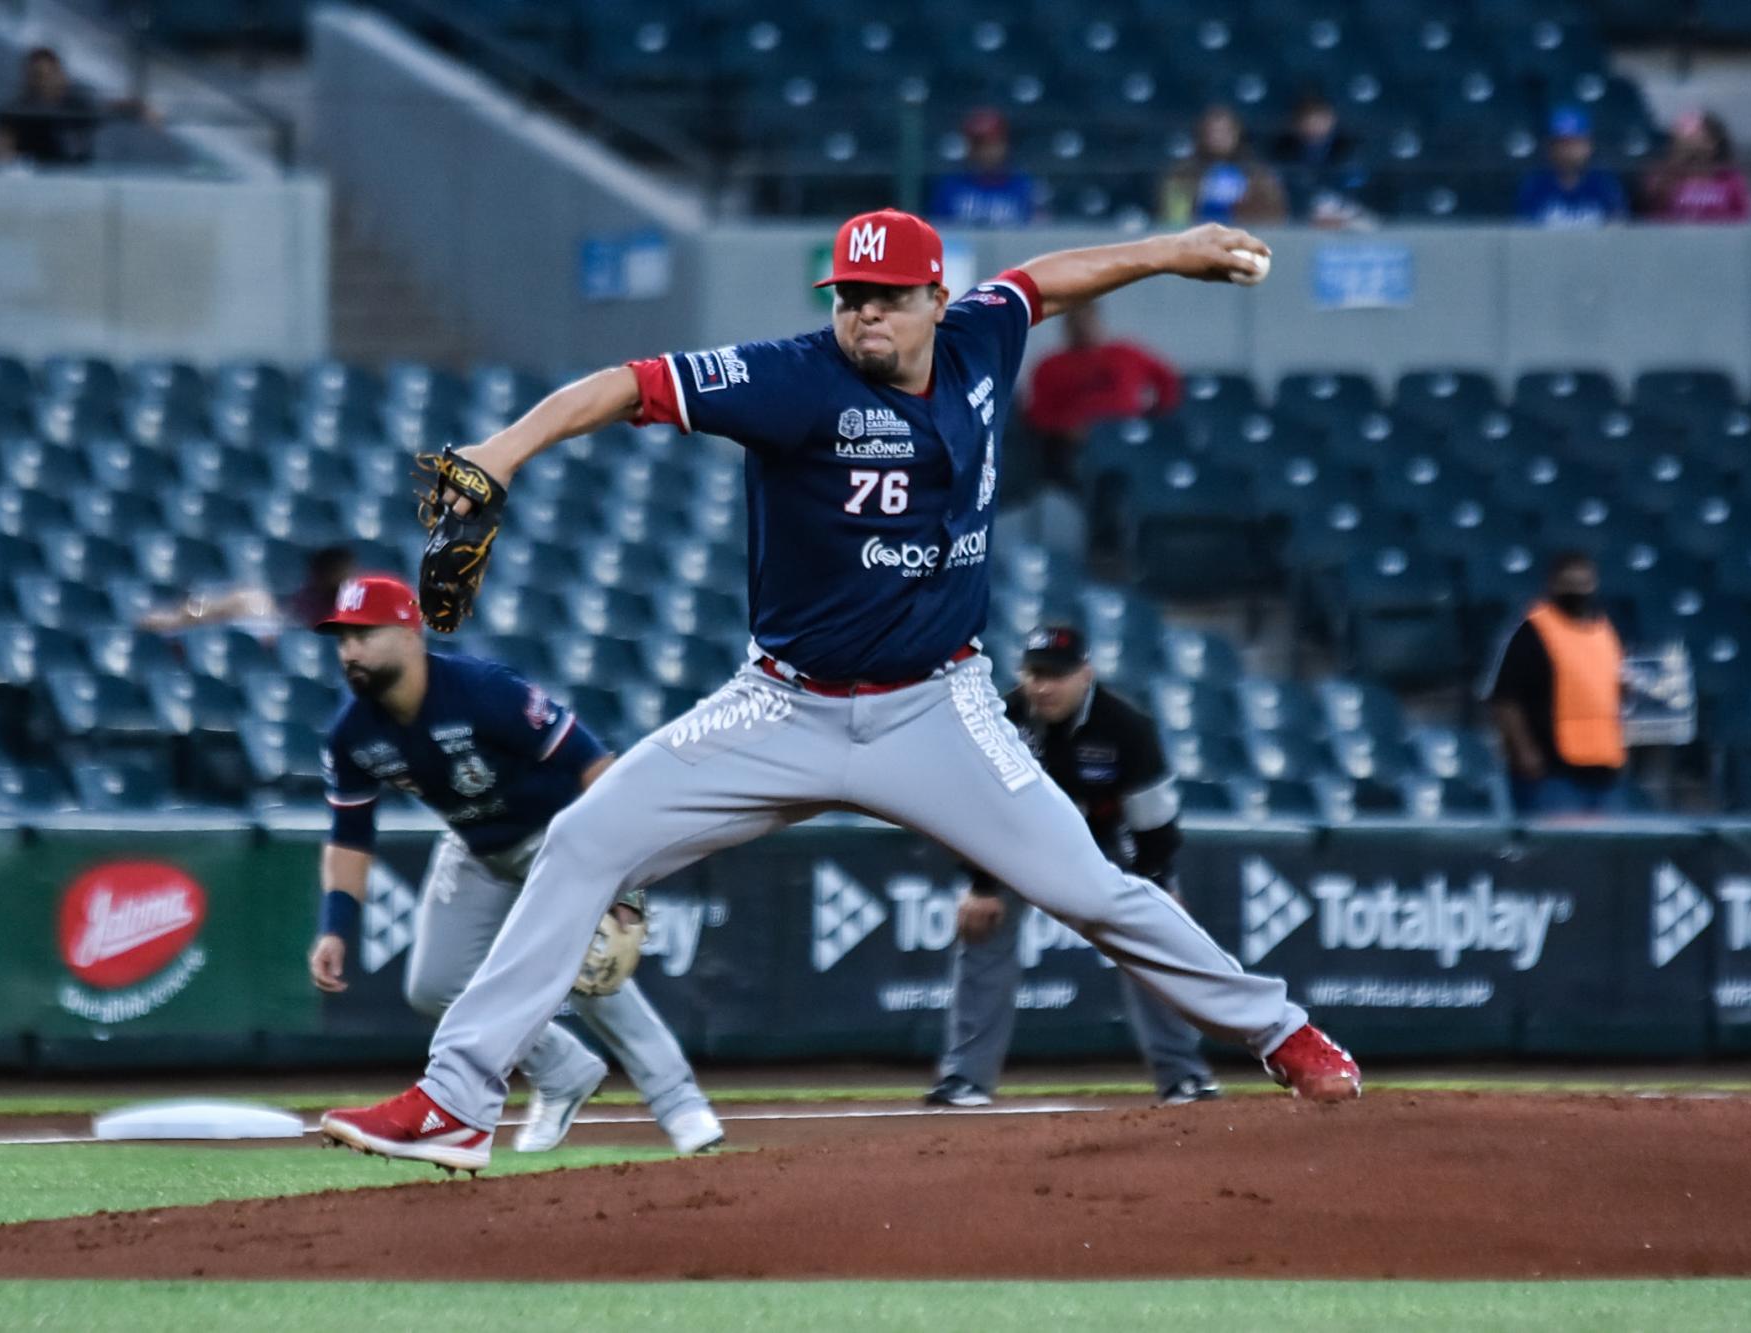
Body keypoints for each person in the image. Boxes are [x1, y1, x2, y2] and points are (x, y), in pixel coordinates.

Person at [320, 208, 1361, 1172]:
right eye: (846, 294)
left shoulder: (979, 338)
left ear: (932, 302)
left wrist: (1171, 247)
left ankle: (1283, 1032)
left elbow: (1042, 280)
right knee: (584, 841)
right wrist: (502, 450)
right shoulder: (789, 378)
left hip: (936, 706)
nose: (860, 311)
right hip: (779, 705)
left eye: (884, 295)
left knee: (1094, 889)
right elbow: (628, 383)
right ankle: (455, 1099)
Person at [311, 574, 725, 1160]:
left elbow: (595, 764)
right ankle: (562, 1071)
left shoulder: (482, 690)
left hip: (561, 836)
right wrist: (334, 925)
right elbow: (349, 836)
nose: (349, 650)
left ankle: (681, 1105)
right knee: (434, 986)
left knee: (590, 975)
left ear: (410, 633)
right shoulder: (351, 733)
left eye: (364, 634)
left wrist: (621, 872)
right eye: (342, 638)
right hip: (476, 847)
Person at [928, 625, 1220, 1110]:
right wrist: (980, 885)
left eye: (1057, 675)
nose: (1043, 686)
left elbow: (1154, 818)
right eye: (1035, 673)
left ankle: (1183, 1077)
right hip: (1020, 845)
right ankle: (965, 1080)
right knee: (982, 933)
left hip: (1102, 846)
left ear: (1086, 674)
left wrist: (1159, 883)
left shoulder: (1124, 725)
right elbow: (976, 808)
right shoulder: (1004, 717)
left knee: (1155, 937)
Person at [1485, 551, 1629, 815]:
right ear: (1552, 584)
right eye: (1569, 582)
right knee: (1560, 853)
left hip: (1603, 769)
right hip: (1552, 773)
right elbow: (1506, 700)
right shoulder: (1533, 633)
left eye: (1583, 582)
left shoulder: (1604, 631)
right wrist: (1525, 752)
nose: (1577, 590)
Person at [1021, 301, 1180, 489]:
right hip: (1077, 449)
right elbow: (1039, 415)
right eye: (1075, 321)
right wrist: (1068, 429)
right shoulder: (1049, 366)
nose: (1082, 326)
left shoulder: (1126, 354)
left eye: (1087, 319)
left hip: (1127, 440)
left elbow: (1167, 381)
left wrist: (1150, 419)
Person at [139, 544, 357, 640]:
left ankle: (176, 619)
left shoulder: (351, 605)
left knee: (251, 600)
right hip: (275, 627)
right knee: (250, 598)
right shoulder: (314, 592)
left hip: (276, 636)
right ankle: (177, 619)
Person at [1157, 105, 1289, 228]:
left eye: (1225, 131)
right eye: (1213, 132)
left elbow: (1275, 219)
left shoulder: (1258, 173)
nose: (1218, 137)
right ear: (1202, 135)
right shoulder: (1183, 173)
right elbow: (1173, 220)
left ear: (1237, 133)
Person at [926, 108, 1040, 228]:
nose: (986, 151)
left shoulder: (1023, 185)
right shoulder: (949, 186)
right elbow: (939, 230)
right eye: (979, 145)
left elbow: (1038, 232)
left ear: (1005, 144)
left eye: (992, 144)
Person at [1516, 107, 1628, 229]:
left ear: (1588, 145)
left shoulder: (1604, 184)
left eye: (1575, 143)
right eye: (1562, 143)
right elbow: (1524, 232)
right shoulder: (1535, 186)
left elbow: (1618, 229)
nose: (1569, 150)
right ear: (1550, 147)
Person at [1269, 91, 1368, 228]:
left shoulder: (1348, 148)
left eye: (1319, 118)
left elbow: (1354, 188)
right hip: (1300, 218)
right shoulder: (1282, 150)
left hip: (1343, 213)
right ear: (1295, 123)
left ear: (1331, 118)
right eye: (1307, 119)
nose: (1313, 124)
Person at [0, 47, 108, 167]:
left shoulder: (77, 107)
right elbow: (2, 149)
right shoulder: (16, 111)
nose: (42, 82)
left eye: (47, 75)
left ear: (60, 75)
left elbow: (108, 109)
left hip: (76, 177)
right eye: (36, 76)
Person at [1641, 110, 1751, 224]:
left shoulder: (1729, 179)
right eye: (1681, 129)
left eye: (1694, 130)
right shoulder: (1662, 177)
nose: (1685, 136)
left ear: (1712, 142)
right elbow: (1652, 216)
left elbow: (1742, 220)